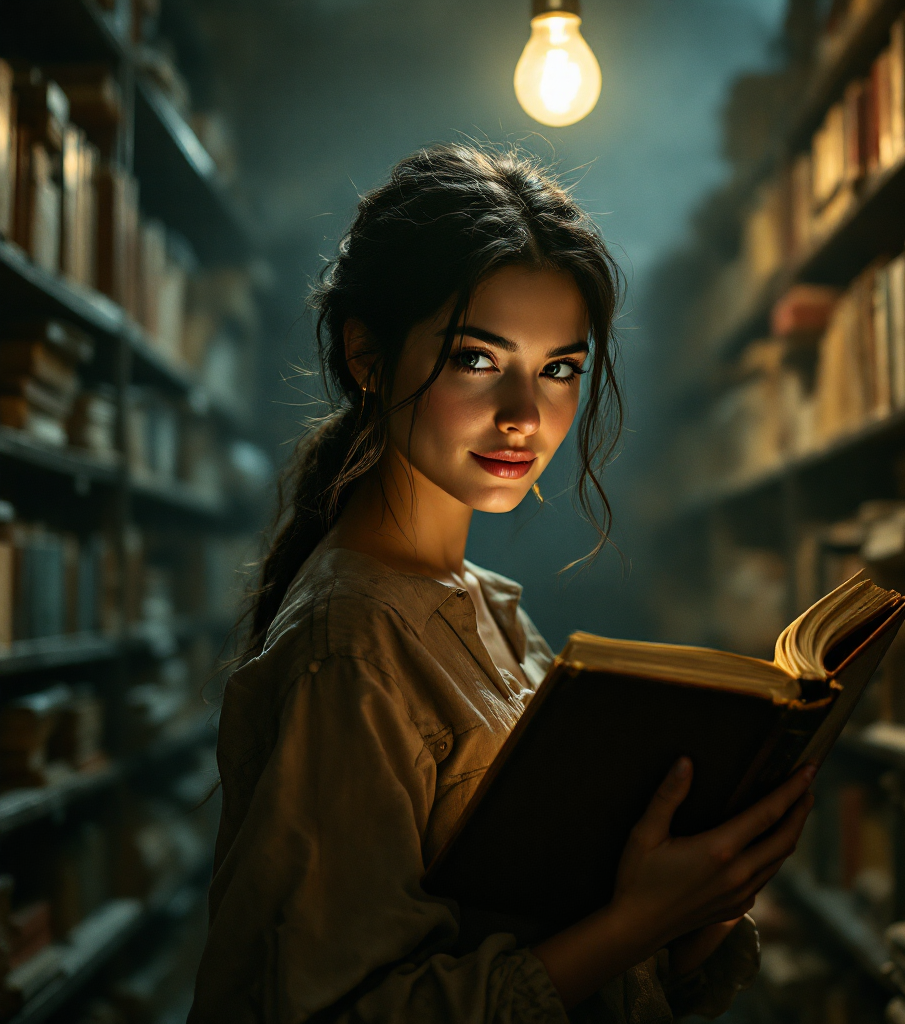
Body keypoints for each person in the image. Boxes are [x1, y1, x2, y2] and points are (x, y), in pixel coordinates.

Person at [187, 143, 816, 1024]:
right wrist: (639, 921)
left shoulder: (482, 603)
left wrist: (699, 898)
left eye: (561, 367)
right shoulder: (352, 645)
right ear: (366, 356)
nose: (526, 414)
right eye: (478, 359)